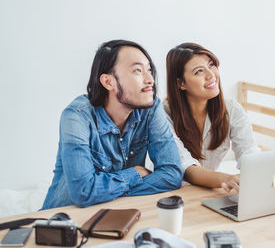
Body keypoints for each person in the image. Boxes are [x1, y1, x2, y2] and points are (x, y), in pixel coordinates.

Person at [42, 40, 182, 209]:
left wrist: (105, 191)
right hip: (62, 222)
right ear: (109, 82)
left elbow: (172, 174)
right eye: (138, 71)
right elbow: (83, 192)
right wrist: (134, 174)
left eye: (149, 70)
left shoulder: (150, 108)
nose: (150, 80)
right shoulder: (76, 116)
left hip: (116, 215)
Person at [164, 42, 260, 194]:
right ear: (181, 83)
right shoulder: (164, 114)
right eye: (199, 71)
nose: (211, 75)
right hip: (172, 194)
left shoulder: (232, 110)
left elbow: (248, 151)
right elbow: (187, 168)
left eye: (211, 65)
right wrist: (225, 179)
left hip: (209, 192)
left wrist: (257, 172)